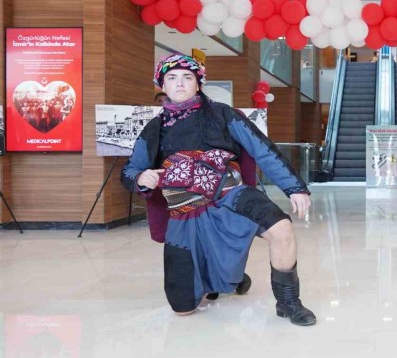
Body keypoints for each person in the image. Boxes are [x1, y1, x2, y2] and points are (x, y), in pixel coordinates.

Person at [121, 54, 316, 326]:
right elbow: (130, 171)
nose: (180, 83)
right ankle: (230, 276)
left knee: (281, 228)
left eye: (187, 77)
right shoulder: (154, 129)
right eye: (172, 78)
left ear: (198, 83)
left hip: (231, 193)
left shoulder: (223, 114)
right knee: (183, 307)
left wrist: (294, 187)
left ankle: (288, 303)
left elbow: (262, 148)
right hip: (184, 211)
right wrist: (142, 176)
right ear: (162, 85)